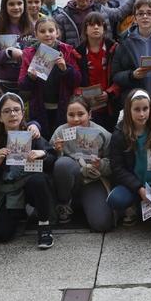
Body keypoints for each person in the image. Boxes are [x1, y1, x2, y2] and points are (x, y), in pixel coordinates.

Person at [0, 92, 56, 247]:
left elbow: (52, 158)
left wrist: (42, 153)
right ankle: (21, 213)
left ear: (23, 113)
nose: (12, 114)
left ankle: (44, 224)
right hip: (8, 190)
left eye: (17, 110)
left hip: (31, 185)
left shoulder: (32, 134)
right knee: (1, 234)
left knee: (39, 180)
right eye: (7, 111)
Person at [107, 90, 151, 227]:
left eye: (145, 109)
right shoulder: (119, 135)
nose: (142, 114)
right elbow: (118, 168)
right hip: (133, 186)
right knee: (116, 200)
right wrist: (138, 188)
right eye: (136, 109)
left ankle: (145, 209)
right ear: (128, 110)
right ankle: (133, 207)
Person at [50, 99, 114, 232]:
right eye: (71, 115)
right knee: (62, 164)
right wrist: (58, 151)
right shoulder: (60, 132)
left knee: (101, 224)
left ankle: (83, 202)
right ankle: (64, 203)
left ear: (89, 114)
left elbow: (114, 164)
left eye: (81, 114)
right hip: (69, 179)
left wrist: (100, 164)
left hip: (92, 180)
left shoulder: (103, 134)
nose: (76, 119)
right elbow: (49, 163)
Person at [17, 17, 82, 131]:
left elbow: (77, 80)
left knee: (61, 138)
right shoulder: (29, 54)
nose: (47, 34)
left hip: (63, 105)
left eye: (51, 31)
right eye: (42, 31)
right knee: (43, 136)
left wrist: (65, 69)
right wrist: (30, 77)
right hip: (39, 106)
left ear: (57, 32)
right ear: (36, 34)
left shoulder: (66, 51)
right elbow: (22, 85)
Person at [74, 11, 120, 130]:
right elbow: (74, 82)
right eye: (91, 24)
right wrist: (82, 95)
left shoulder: (114, 48)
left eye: (99, 25)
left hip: (111, 104)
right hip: (88, 106)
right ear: (85, 29)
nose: (95, 27)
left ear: (104, 29)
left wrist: (109, 93)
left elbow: (120, 76)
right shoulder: (77, 52)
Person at [0, 0, 36, 97]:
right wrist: (8, 52)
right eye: (11, 4)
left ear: (24, 5)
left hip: (28, 81)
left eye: (19, 3)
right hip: (4, 83)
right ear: (5, 6)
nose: (16, 7)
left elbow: (39, 54)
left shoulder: (33, 28)